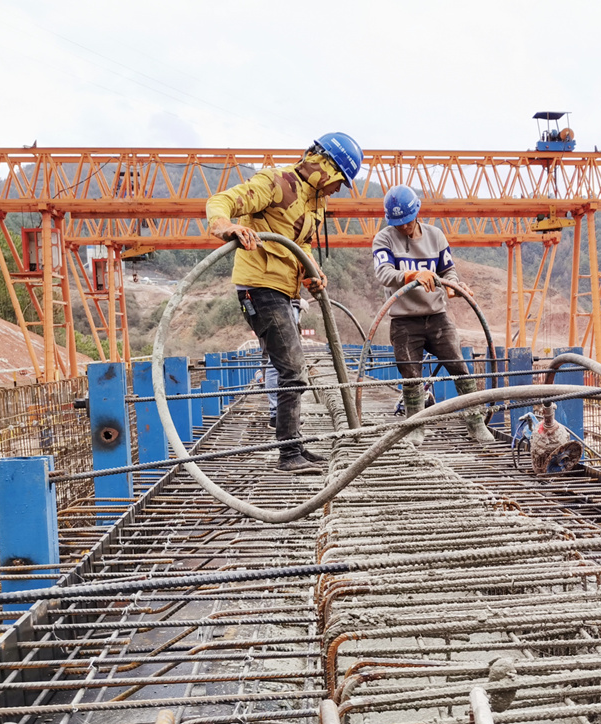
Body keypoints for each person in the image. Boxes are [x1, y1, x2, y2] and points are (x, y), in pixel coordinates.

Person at [207, 132, 362, 473]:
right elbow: (222, 201)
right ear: (326, 168)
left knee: (292, 370)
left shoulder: (314, 200)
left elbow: (299, 243)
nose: (338, 190)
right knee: (292, 371)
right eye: (339, 182)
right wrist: (226, 226)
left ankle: (295, 447)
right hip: (259, 287)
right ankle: (288, 454)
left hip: (284, 291)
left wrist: (311, 272)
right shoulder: (276, 182)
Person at [372, 184, 495, 446]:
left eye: (407, 221)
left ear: (416, 213)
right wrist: (413, 275)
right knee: (410, 375)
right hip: (404, 319)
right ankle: (416, 427)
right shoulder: (384, 239)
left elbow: (448, 272)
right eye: (398, 223)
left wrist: (454, 287)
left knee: (459, 368)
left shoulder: (436, 236)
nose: (404, 227)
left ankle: (475, 423)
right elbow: (383, 274)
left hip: (437, 316)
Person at [263, 297, 307, 428]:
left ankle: (280, 414)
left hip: (282, 303)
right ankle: (280, 415)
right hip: (280, 303)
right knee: (281, 361)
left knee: (281, 360)